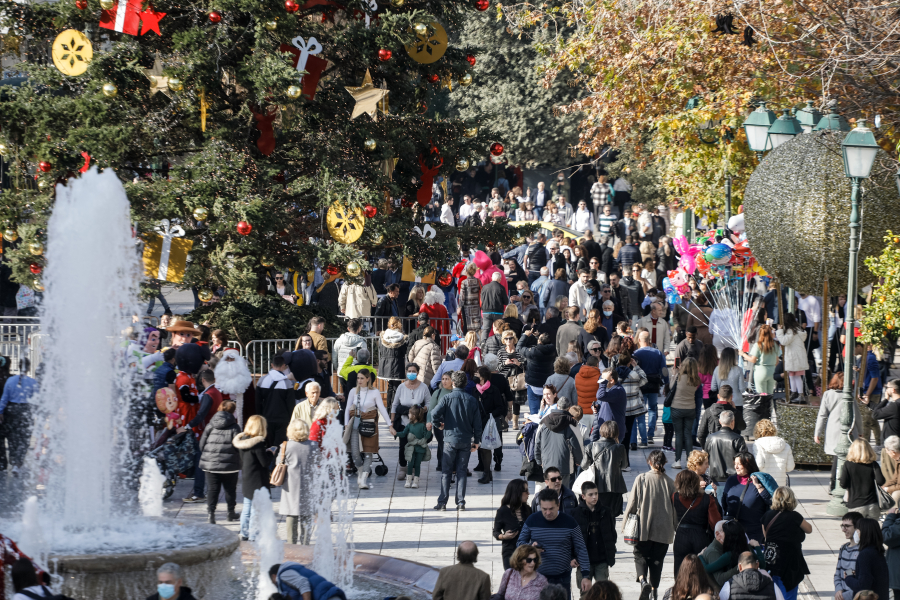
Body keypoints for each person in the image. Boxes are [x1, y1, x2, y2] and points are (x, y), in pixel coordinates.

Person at [518, 486, 593, 596]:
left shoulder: (570, 522)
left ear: (558, 505)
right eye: (544, 509)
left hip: (563, 578)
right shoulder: (532, 520)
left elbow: (581, 548)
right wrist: (530, 548)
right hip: (537, 577)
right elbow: (519, 544)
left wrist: (585, 576)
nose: (548, 512)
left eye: (551, 509)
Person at [623, 450, 676, 600]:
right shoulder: (670, 482)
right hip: (663, 530)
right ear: (665, 463)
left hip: (643, 528)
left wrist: (625, 523)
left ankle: (643, 581)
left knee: (640, 556)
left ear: (649, 462)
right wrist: (676, 527)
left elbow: (632, 502)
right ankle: (654, 589)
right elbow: (675, 508)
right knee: (657, 560)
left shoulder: (642, 478)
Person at [432, 370, 483, 511]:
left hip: (449, 439)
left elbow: (434, 413)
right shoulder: (472, 400)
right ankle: (460, 502)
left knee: (446, 471)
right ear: (465, 383)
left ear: (453, 383)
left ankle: (442, 502)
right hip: (465, 440)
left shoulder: (447, 398)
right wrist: (477, 441)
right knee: (461, 471)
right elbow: (478, 424)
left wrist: (439, 425)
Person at [760, 487, 811, 600]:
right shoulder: (795, 516)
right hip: (790, 563)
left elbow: (766, 537)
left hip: (772, 561)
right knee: (788, 594)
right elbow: (809, 529)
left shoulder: (767, 516)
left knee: (772, 593)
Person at [344, 368, 390, 490]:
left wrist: (389, 424)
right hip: (355, 424)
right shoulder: (353, 391)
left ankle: (363, 478)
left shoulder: (374, 392)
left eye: (362, 378)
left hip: (369, 425)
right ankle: (361, 471)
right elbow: (348, 409)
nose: (359, 380)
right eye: (358, 378)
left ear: (368, 379)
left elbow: (382, 409)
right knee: (355, 453)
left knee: (368, 452)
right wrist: (345, 424)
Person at [816, 372, 863, 491]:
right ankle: (845, 483)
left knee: (837, 457)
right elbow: (857, 415)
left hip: (832, 428)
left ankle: (833, 484)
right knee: (848, 457)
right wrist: (861, 431)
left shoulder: (827, 394)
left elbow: (822, 415)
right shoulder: (849, 396)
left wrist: (817, 433)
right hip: (848, 430)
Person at [234, 415, 276, 541]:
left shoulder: (243, 440)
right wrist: (270, 452)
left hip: (247, 476)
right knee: (255, 509)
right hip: (257, 479)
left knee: (247, 507)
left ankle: (244, 532)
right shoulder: (258, 443)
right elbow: (264, 463)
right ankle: (253, 535)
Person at [198, 400, 241, 524]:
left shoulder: (210, 425)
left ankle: (211, 515)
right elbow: (238, 445)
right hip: (229, 464)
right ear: (233, 411)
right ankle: (230, 513)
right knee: (230, 489)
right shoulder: (235, 426)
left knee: (212, 489)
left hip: (210, 463)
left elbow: (201, 445)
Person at [672, 470, 721, 575]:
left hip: (681, 536)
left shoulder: (675, 497)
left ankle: (681, 590)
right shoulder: (707, 499)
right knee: (701, 570)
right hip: (701, 536)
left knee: (680, 568)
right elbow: (715, 522)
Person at [390, 362, 431, 483]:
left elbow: (429, 403)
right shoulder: (401, 387)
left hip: (418, 423)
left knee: (416, 446)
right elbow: (395, 405)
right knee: (403, 446)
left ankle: (413, 468)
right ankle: (403, 467)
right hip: (404, 422)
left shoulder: (423, 387)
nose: (411, 373)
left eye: (414, 371)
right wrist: (391, 423)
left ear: (418, 373)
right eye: (409, 371)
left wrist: (423, 409)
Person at [278, 419, 316, 545]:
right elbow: (320, 464)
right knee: (307, 515)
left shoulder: (286, 446)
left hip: (290, 486)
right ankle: (305, 545)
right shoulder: (314, 445)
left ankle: (292, 544)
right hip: (308, 485)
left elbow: (279, 463)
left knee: (291, 515)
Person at [573, 480, 618, 583]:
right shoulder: (576, 513)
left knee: (602, 592)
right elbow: (571, 538)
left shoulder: (605, 511)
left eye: (596, 494)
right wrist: (573, 556)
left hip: (601, 559)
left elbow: (612, 534)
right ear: (583, 496)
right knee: (585, 594)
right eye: (591, 494)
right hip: (584, 561)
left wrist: (610, 552)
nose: (594, 497)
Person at [723, 452, 772, 543]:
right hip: (734, 531)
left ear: (748, 464)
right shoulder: (731, 480)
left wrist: (759, 487)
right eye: (735, 464)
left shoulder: (759, 480)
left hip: (755, 532)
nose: (736, 467)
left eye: (739, 464)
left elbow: (770, 501)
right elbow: (724, 502)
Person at [474, 361, 511, 480]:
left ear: (483, 377)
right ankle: (486, 471)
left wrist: (489, 415)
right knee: (483, 447)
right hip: (479, 423)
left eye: (477, 374)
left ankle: (495, 464)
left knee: (494, 444)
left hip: (492, 422)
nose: (474, 376)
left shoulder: (493, 390)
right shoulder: (475, 390)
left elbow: (500, 407)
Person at [582, 420, 627, 517]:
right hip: (615, 486)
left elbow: (584, 465)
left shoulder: (591, 446)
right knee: (612, 515)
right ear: (616, 432)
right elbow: (624, 466)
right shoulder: (620, 447)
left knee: (596, 515)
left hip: (596, 485)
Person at [536, 397, 583, 488]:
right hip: (564, 464)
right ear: (569, 408)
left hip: (547, 463)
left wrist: (539, 459)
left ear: (557, 406)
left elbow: (537, 442)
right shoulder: (572, 423)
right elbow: (577, 444)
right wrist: (579, 460)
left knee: (550, 491)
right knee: (563, 491)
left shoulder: (544, 422)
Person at [704, 410, 748, 505]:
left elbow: (704, 457)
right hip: (735, 479)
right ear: (733, 421)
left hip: (716, 479)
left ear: (720, 421)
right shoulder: (738, 439)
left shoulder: (711, 438)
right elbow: (745, 460)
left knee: (720, 506)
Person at [0, 365, 37, 474]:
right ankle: (18, 463)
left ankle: (12, 458)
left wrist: (1, 411)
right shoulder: (33, 382)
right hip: (26, 410)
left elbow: (4, 398)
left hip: (11, 410)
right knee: (24, 437)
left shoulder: (10, 380)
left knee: (13, 436)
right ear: (29, 368)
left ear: (19, 366)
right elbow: (37, 398)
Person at [844, 518, 890, 600]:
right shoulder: (877, 551)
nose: (856, 533)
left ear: (864, 532)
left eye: (858, 530)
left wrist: (848, 578)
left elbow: (863, 586)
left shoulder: (865, 554)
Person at [840, 438, 886, 519]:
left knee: (856, 530)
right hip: (872, 504)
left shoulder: (848, 464)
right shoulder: (873, 464)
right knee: (871, 530)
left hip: (855, 504)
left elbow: (843, 484)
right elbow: (881, 481)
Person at [494, 479, 535, 570]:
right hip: (510, 552)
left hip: (526, 553)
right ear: (517, 492)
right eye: (525, 491)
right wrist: (504, 536)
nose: (528, 493)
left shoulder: (528, 509)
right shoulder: (503, 511)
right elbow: (496, 532)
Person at [634, 330, 665, 445]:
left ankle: (643, 438)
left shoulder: (636, 353)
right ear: (650, 340)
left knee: (641, 411)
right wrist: (666, 383)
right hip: (654, 384)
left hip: (641, 385)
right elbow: (664, 369)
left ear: (640, 340)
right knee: (653, 409)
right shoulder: (657, 353)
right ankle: (651, 434)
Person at [671, 358, 701, 469]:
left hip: (677, 408)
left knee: (679, 434)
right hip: (690, 408)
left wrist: (674, 374)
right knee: (688, 434)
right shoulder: (696, 380)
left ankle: (677, 461)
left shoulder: (678, 377)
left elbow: (671, 387)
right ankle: (690, 461)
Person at [518, 329, 557, 416]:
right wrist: (537, 337)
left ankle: (535, 428)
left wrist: (525, 335)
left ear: (539, 341)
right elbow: (543, 346)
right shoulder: (553, 351)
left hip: (533, 385)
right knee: (547, 413)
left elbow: (519, 348)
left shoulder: (533, 352)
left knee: (534, 413)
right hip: (547, 385)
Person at [393, 405, 432, 489]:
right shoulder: (409, 425)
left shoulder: (422, 426)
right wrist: (396, 433)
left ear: (414, 415)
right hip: (411, 448)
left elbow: (426, 436)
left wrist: (429, 430)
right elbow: (403, 433)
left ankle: (415, 482)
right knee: (410, 464)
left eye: (410, 413)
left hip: (420, 448)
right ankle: (408, 481)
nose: (408, 415)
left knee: (417, 465)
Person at [592, 369, 627, 454]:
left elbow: (600, 396)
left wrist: (603, 384)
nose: (601, 381)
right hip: (604, 430)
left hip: (612, 432)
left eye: (604, 379)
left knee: (610, 461)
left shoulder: (618, 391)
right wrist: (595, 407)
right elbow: (599, 400)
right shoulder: (608, 389)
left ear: (611, 380)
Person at [753, 420, 795, 487]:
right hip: (781, 484)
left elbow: (759, 465)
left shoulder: (758, 444)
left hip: (765, 483)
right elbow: (790, 467)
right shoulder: (785, 445)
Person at [273, 562, 347, 600]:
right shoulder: (298, 570)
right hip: (331, 595)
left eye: (272, 582)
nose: (274, 585)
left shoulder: (283, 574)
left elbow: (303, 583)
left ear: (274, 576)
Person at [709, 348, 746, 426]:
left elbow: (713, 388)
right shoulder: (738, 370)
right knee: (736, 427)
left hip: (721, 402)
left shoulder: (717, 369)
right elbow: (742, 389)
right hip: (736, 402)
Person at [377, 316, 409, 405]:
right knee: (397, 388)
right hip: (397, 364)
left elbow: (381, 349)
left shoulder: (383, 336)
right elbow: (404, 352)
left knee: (390, 387)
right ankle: (394, 410)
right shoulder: (402, 337)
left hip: (385, 364)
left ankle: (389, 409)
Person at [740, 324, 779, 395]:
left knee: (761, 396)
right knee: (770, 395)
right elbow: (777, 361)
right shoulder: (775, 345)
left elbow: (753, 360)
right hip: (772, 371)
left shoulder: (758, 345)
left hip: (760, 371)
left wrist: (743, 354)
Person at [835, 512, 863, 600]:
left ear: (857, 527)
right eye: (842, 526)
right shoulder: (843, 548)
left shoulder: (863, 551)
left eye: (847, 526)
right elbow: (837, 574)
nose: (843, 529)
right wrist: (838, 590)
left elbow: (862, 582)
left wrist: (845, 596)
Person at [872, 379, 900, 444]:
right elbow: (883, 411)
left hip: (892, 445)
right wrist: (868, 403)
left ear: (893, 390)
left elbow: (875, 415)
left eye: (887, 387)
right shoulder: (896, 405)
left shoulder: (895, 406)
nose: (886, 390)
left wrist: (885, 400)